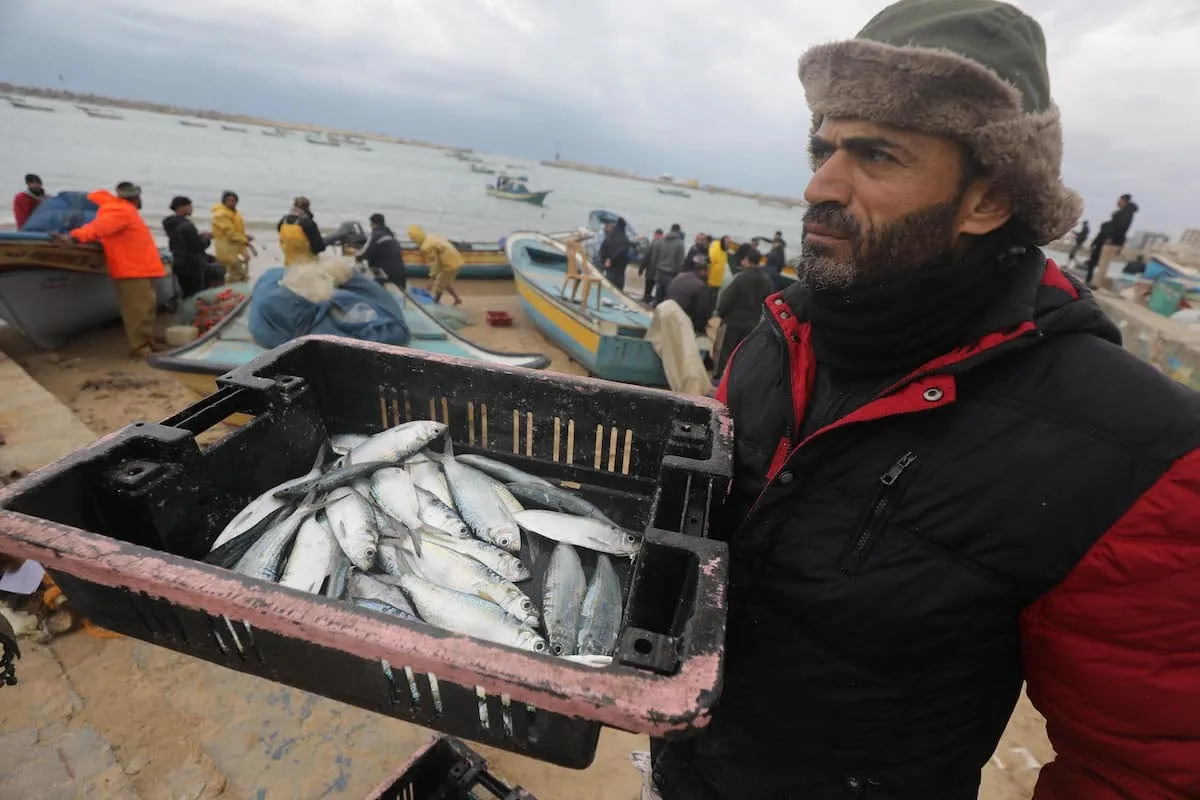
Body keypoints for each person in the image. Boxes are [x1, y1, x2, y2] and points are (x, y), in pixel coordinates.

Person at [651, 2, 1200, 799]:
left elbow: (1147, 769)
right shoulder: (777, 336)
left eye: (875, 155)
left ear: (988, 198)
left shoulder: (1136, 451)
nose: (819, 185)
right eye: (823, 146)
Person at [52, 183, 166, 358]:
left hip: (141, 269)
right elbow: (98, 228)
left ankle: (147, 342)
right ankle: (140, 348)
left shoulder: (123, 210)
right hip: (131, 270)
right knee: (138, 311)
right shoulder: (120, 210)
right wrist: (74, 237)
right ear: (136, 198)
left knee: (146, 309)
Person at [713, 248, 772, 378]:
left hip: (732, 321)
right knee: (741, 353)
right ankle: (734, 378)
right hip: (752, 323)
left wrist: (721, 315)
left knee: (723, 352)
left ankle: (717, 379)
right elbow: (768, 302)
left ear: (746, 260)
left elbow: (727, 299)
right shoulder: (766, 280)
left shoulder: (740, 278)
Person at [162, 196, 222, 298]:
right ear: (180, 207)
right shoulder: (187, 225)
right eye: (189, 206)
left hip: (178, 262)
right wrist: (207, 238)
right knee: (195, 292)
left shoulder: (170, 223)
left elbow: (183, 240)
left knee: (184, 291)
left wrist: (199, 236)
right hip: (191, 265)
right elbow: (199, 246)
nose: (191, 208)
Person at [409, 224, 463, 305]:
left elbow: (435, 264)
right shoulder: (430, 237)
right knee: (445, 282)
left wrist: (431, 280)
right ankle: (457, 299)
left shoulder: (426, 247)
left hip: (449, 264)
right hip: (456, 259)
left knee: (439, 285)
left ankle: (435, 303)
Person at [1094, 194, 1138, 289]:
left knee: (1104, 263)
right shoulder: (1127, 213)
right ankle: (1097, 282)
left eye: (1119, 200)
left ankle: (1096, 283)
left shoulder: (1123, 213)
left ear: (1124, 201)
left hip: (1113, 242)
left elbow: (1119, 228)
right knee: (1105, 263)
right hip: (1117, 242)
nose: (1117, 202)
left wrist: (1110, 238)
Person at [210, 191, 254, 283]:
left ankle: (241, 291)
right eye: (229, 200)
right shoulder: (221, 215)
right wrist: (245, 240)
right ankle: (232, 292)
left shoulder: (234, 212)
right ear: (224, 201)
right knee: (234, 273)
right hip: (227, 249)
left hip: (237, 247)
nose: (232, 202)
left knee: (243, 272)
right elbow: (230, 233)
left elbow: (235, 230)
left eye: (234, 200)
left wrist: (244, 236)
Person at [356, 213, 407, 289]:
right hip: (401, 274)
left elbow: (364, 253)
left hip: (384, 274)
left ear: (373, 224)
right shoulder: (391, 235)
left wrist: (356, 256)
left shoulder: (375, 235)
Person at [665, 260, 711, 336]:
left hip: (667, 313)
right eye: (708, 272)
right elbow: (702, 310)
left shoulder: (680, 276)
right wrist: (699, 329)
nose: (709, 274)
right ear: (703, 271)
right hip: (682, 320)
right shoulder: (701, 286)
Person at [277, 196, 325, 265]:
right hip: (308, 265)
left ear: (293, 205)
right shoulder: (309, 223)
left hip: (289, 264)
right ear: (308, 208)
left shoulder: (283, 221)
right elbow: (319, 247)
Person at [653, 223, 687, 305]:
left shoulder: (662, 240)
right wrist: (679, 275)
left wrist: (656, 268)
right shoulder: (680, 243)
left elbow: (655, 256)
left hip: (660, 271)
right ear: (679, 231)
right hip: (671, 274)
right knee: (668, 297)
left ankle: (653, 311)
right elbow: (680, 262)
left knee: (658, 295)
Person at [599, 217, 631, 290]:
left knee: (608, 289)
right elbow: (625, 254)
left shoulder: (610, 237)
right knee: (618, 291)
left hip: (610, 269)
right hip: (620, 271)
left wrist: (604, 261)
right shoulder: (625, 239)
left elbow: (602, 250)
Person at [639, 228, 665, 304]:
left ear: (656, 234)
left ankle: (645, 300)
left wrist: (641, 269)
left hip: (651, 271)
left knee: (648, 288)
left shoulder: (653, 243)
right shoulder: (665, 244)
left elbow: (646, 257)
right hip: (660, 271)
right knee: (657, 289)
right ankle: (655, 301)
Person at [1084, 220, 1111, 286]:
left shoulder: (1101, 234)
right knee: (1100, 267)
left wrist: (1091, 246)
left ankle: (1088, 280)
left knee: (1092, 266)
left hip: (1097, 251)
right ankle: (1094, 282)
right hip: (1103, 253)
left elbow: (1094, 242)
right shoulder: (1109, 236)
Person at [707, 234, 731, 307]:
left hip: (717, 282)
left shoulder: (724, 252)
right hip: (710, 282)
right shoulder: (715, 250)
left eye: (729, 243)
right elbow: (708, 263)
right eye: (727, 243)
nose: (728, 245)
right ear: (722, 242)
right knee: (709, 301)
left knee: (714, 301)